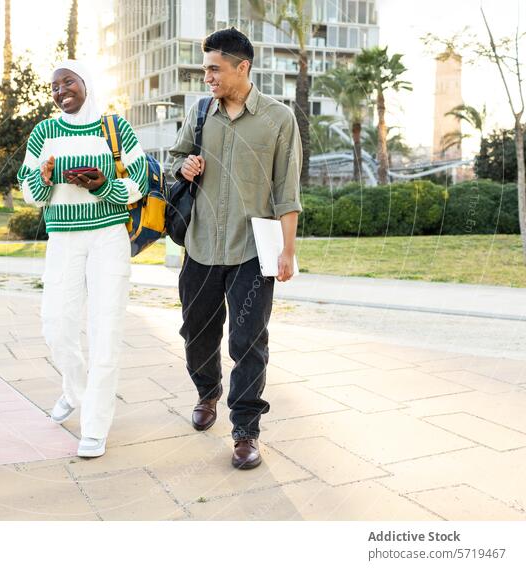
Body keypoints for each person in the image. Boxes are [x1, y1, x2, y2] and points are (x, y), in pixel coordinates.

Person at [168, 28, 303, 469]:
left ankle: (245, 429)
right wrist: (184, 166)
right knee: (196, 334)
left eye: (214, 68)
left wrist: (288, 251)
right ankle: (207, 391)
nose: (207, 76)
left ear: (242, 67)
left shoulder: (278, 119)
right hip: (201, 245)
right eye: (205, 67)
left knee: (248, 342)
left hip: (251, 251)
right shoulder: (201, 111)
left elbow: (287, 191)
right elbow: (174, 159)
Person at [17, 60, 148, 458]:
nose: (60, 91)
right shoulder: (45, 132)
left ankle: (95, 425)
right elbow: (28, 192)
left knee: (105, 328)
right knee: (55, 325)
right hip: (63, 240)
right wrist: (42, 177)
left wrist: (103, 185)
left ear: (85, 83)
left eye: (67, 82)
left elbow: (138, 183)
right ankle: (74, 391)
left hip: (108, 237)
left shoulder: (115, 128)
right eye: (54, 86)